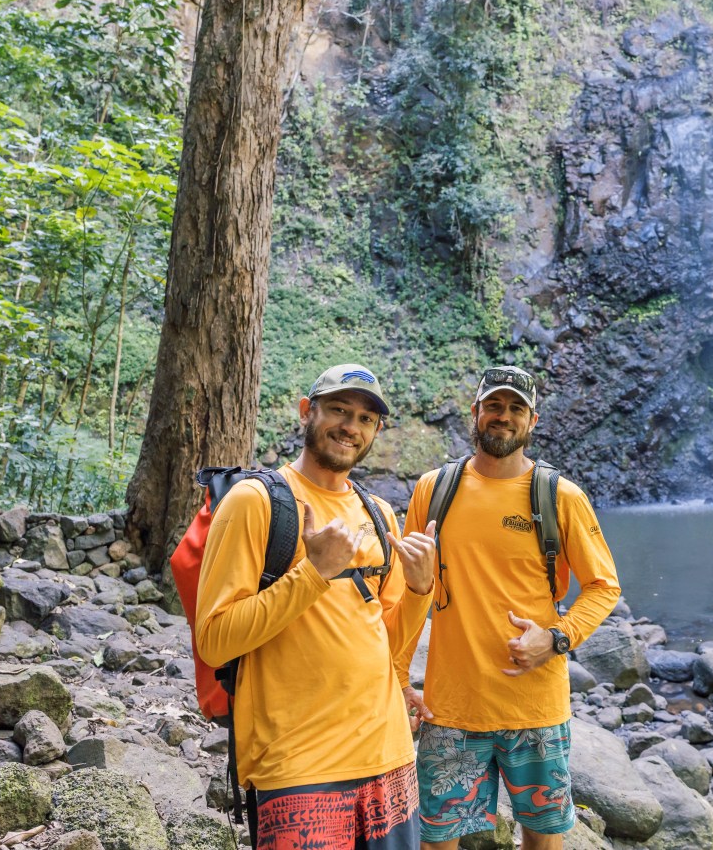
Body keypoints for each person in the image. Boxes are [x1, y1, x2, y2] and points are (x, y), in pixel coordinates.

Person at [195, 363, 438, 850]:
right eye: (339, 410)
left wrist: (419, 589)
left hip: (388, 756)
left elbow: (388, 644)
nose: (351, 427)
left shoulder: (378, 513)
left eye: (366, 419)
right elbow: (214, 639)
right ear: (308, 411)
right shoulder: (256, 502)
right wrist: (314, 573)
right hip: (298, 764)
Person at [394, 365, 622, 850]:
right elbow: (408, 592)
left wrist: (556, 637)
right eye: (494, 406)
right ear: (475, 412)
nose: (503, 416)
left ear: (532, 420)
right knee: (437, 839)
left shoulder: (560, 496)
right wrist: (396, 680)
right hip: (451, 708)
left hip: (534, 709)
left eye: (516, 408)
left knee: (543, 838)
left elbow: (604, 586)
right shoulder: (433, 490)